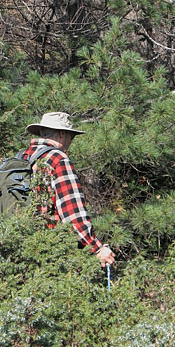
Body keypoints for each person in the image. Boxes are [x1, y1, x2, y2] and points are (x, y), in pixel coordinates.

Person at [23, 112, 115, 268]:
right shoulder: (58, 159)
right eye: (71, 137)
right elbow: (72, 213)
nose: (71, 142)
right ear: (61, 134)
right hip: (49, 249)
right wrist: (97, 248)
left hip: (22, 244)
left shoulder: (24, 157)